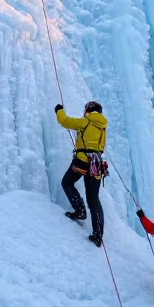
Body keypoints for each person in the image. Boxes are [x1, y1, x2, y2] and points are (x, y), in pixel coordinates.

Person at [55, 101, 107, 247]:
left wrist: (59, 110)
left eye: (85, 108)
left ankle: (79, 210)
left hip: (82, 161)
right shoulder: (102, 126)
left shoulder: (86, 121)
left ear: (89, 109)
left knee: (67, 182)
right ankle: (98, 234)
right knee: (93, 199)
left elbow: (65, 121)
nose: (83, 111)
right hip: (96, 163)